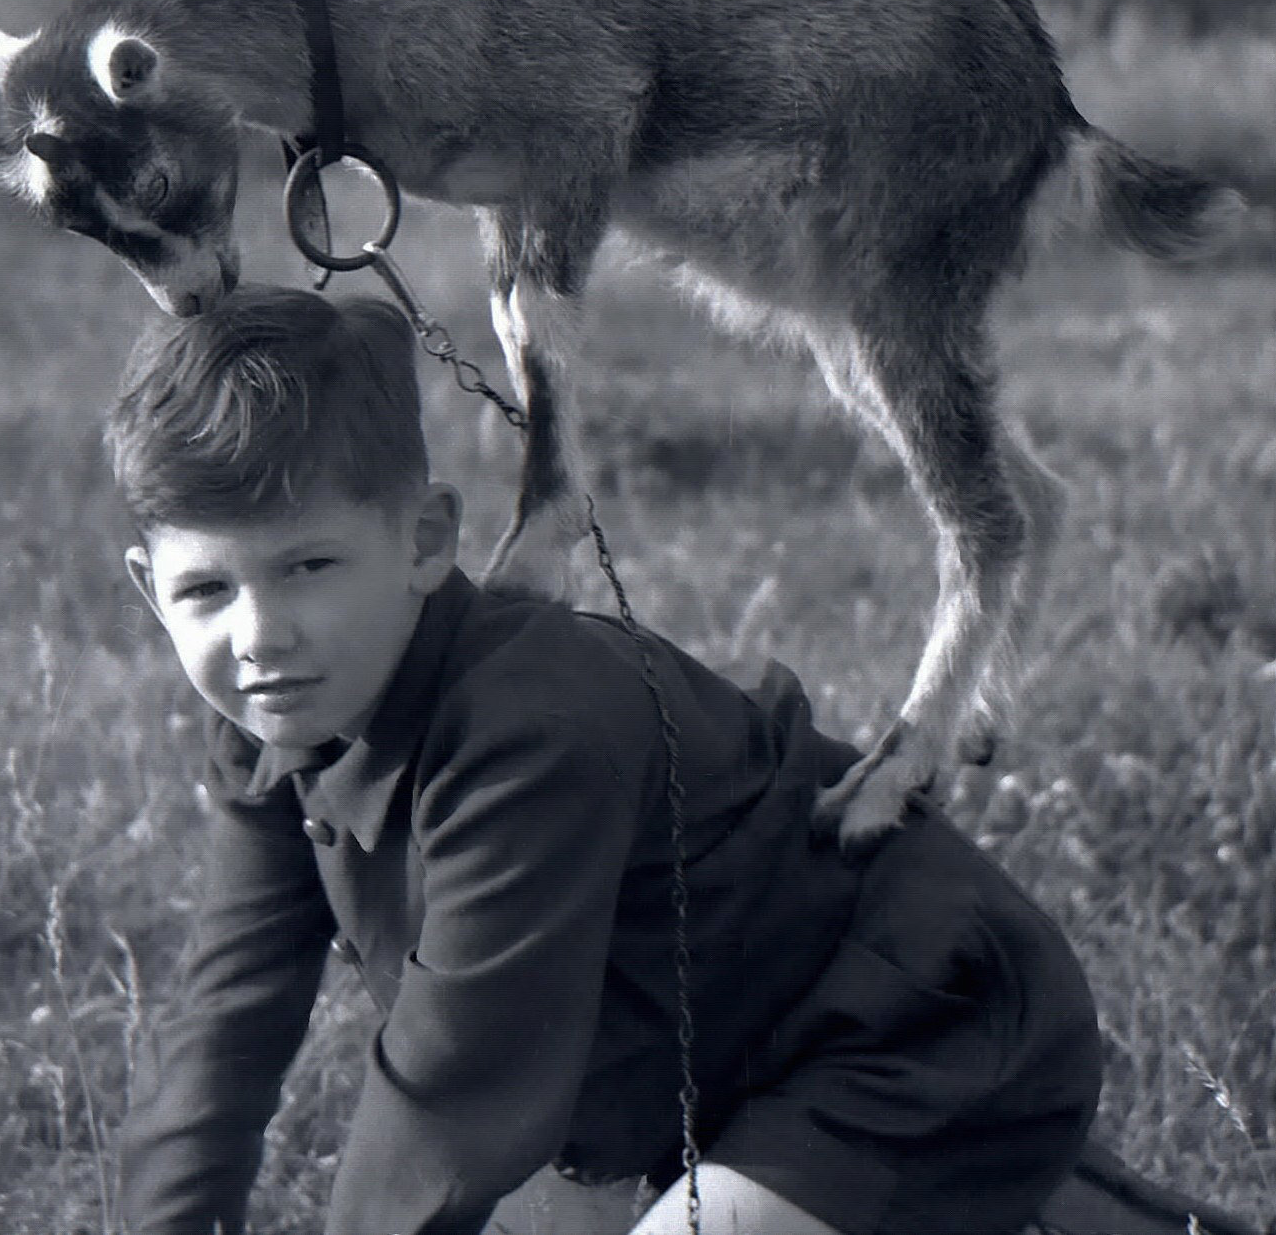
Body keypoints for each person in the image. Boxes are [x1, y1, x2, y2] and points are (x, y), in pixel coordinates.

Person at [106, 283, 1102, 1235]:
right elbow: (226, 1018)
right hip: (671, 1080)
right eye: (206, 590)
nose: (259, 634)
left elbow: (452, 1089)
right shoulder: (272, 720)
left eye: (307, 565)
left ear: (425, 538)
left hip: (909, 1043)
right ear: (150, 589)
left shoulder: (529, 727)